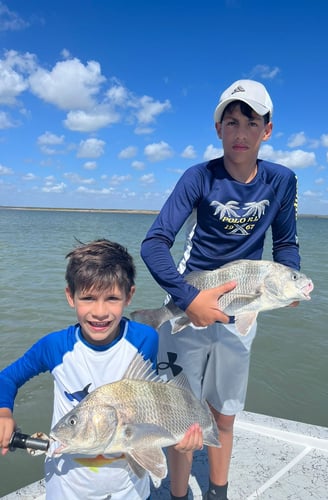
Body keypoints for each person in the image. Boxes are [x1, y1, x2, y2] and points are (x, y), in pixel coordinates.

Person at [140, 79, 301, 500]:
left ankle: (218, 493)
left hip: (240, 309)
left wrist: (289, 281)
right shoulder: (199, 177)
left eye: (251, 122)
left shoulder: (282, 181)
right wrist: (187, 299)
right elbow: (154, 243)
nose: (241, 133)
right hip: (188, 303)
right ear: (218, 129)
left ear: (267, 129)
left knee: (224, 415)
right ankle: (177, 496)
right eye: (231, 122)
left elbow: (285, 242)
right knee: (181, 416)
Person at [0, 239, 202, 500]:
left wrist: (180, 437)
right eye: (88, 298)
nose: (100, 312)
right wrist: (4, 413)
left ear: (129, 295)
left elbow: (150, 400)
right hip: (67, 487)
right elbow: (8, 378)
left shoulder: (145, 339)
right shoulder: (55, 346)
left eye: (112, 298)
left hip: (130, 488)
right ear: (70, 296)